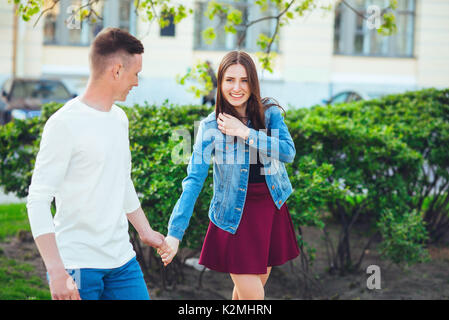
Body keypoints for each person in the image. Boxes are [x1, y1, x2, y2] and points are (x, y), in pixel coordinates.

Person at [26, 28, 167, 300]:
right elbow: (38, 199)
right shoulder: (63, 124)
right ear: (116, 70)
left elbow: (121, 181)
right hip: (76, 266)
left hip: (122, 261)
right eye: (135, 73)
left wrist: (145, 231)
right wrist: (56, 271)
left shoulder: (120, 119)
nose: (137, 82)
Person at [159, 51, 300, 300]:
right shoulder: (210, 127)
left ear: (253, 82)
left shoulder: (270, 114)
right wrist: (174, 233)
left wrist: (245, 132)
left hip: (270, 209)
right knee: (254, 298)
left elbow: (288, 152)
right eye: (229, 80)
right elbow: (193, 180)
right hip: (233, 216)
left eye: (244, 80)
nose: (237, 88)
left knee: (247, 294)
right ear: (220, 83)